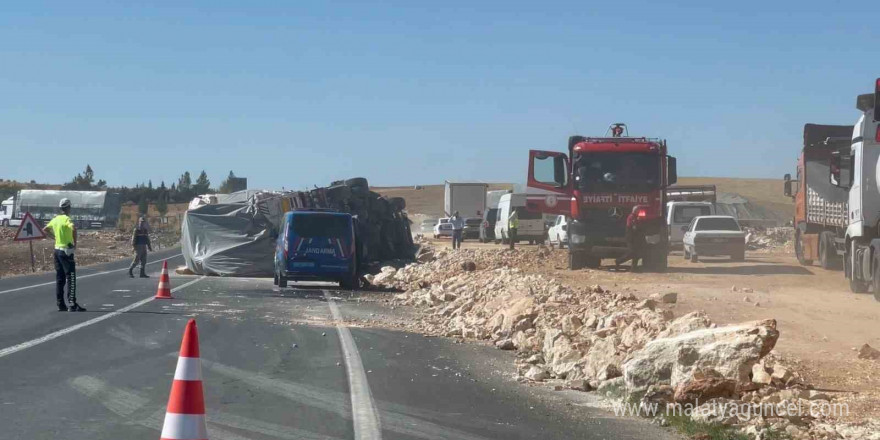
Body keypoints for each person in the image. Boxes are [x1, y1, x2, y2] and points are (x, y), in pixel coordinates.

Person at [42, 198, 86, 312]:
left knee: (60, 278)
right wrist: (75, 244)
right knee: (70, 277)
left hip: (57, 251)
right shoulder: (67, 219)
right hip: (66, 251)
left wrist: (55, 237)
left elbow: (45, 229)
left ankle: (60, 304)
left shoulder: (56, 219)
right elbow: (74, 228)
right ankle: (72, 304)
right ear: (68, 208)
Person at [616, 205, 646, 271]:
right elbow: (634, 228)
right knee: (632, 252)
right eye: (638, 210)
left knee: (637, 253)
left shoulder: (636, 217)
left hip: (636, 238)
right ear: (635, 210)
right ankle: (619, 261)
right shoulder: (631, 217)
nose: (639, 211)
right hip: (631, 238)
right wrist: (638, 222)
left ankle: (633, 268)